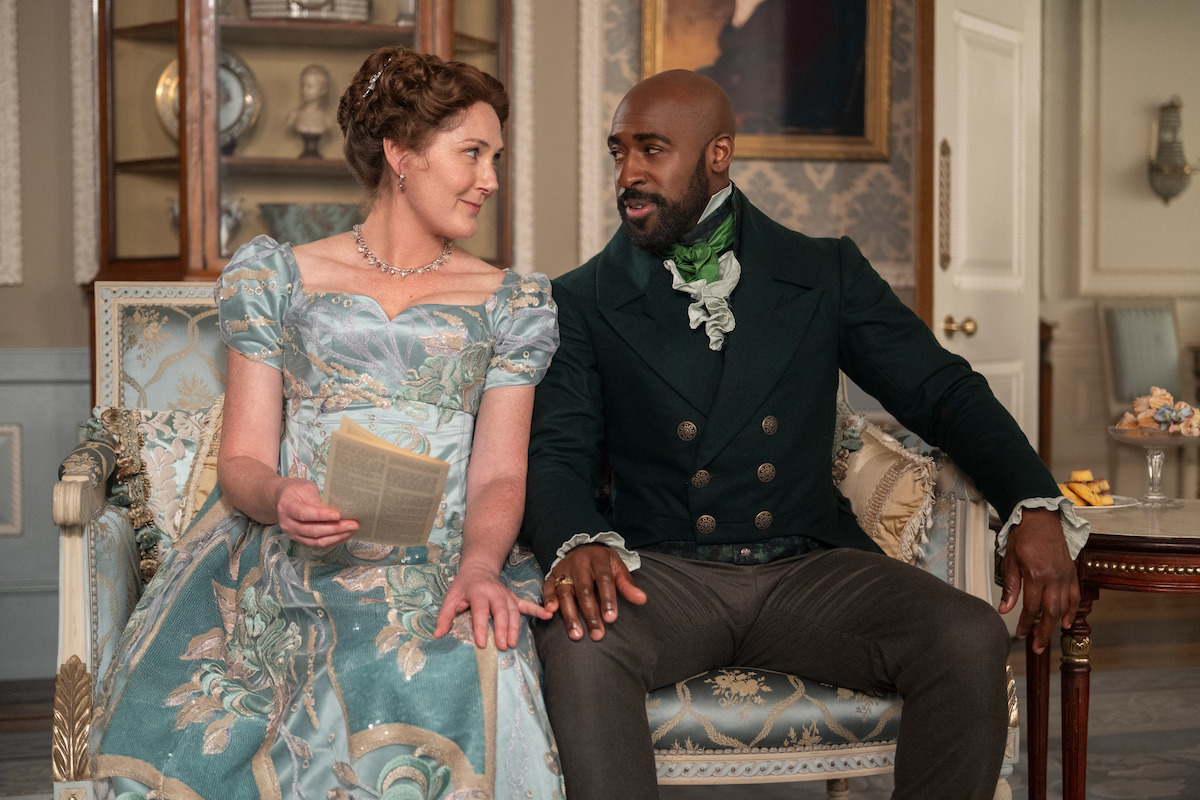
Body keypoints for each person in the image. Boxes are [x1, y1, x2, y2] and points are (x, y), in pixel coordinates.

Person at [523, 69, 1087, 800]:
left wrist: (1032, 501)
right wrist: (580, 538)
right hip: (664, 574)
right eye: (619, 152)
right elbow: (556, 452)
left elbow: (941, 391)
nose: (629, 174)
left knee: (967, 633)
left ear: (717, 155)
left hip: (805, 567)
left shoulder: (825, 273)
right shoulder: (579, 300)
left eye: (652, 150)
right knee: (579, 645)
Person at [93, 46, 565, 800]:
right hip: (294, 556)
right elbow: (242, 461)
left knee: (473, 657)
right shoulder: (277, 277)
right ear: (401, 153)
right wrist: (281, 498)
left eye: (497, 158)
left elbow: (503, 472)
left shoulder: (512, 302)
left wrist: (480, 566)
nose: (491, 181)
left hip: (441, 561)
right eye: (472, 154)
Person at [286, 63, 334, 157]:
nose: (305, 90)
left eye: (310, 86)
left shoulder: (327, 119)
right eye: (303, 85)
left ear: (323, 90)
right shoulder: (294, 116)